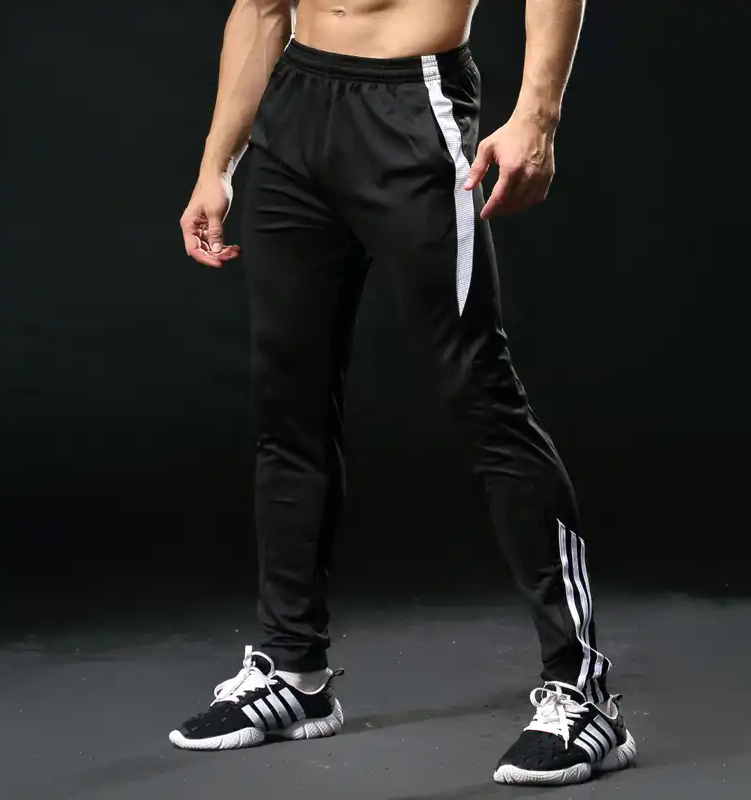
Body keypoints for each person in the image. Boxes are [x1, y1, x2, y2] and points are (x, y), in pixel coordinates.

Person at [171, 0, 636, 786]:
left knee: (483, 396)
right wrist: (217, 165)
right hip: (294, 112)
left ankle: (583, 690)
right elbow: (260, 7)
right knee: (289, 404)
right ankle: (294, 671)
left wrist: (538, 114)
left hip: (412, 103)